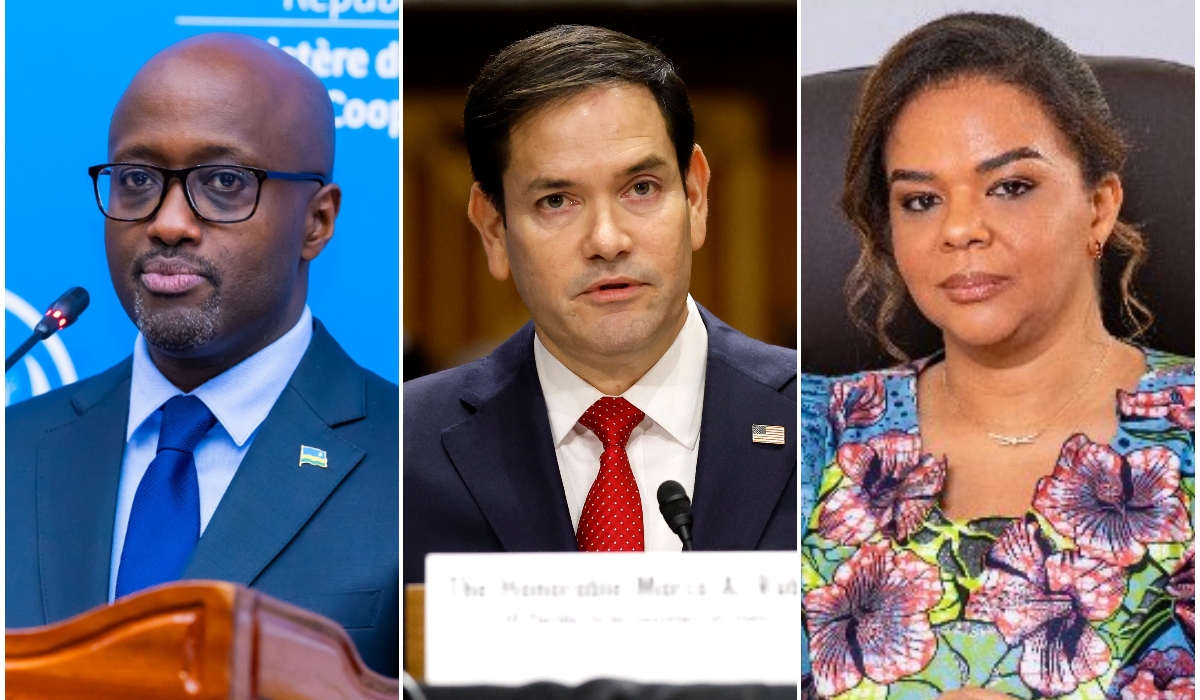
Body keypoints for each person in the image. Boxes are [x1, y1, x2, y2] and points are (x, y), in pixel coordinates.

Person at [801, 13, 1193, 700]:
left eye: (1010, 186)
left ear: (1099, 207)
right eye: (920, 200)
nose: (959, 228)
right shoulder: (798, 437)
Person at [5, 34, 398, 676]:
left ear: (317, 222)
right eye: (137, 180)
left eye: (223, 182)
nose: (168, 223)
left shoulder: (411, 457)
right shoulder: (14, 451)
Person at [404, 25, 796, 583]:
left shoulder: (824, 425)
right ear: (493, 229)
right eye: (556, 201)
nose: (608, 240)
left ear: (695, 196)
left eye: (641, 188)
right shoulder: (402, 448)